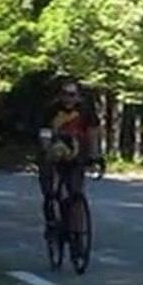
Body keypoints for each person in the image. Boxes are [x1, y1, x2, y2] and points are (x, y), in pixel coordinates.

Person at [37, 80, 102, 236]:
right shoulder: (51, 109)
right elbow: (44, 133)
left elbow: (93, 133)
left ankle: (76, 232)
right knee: (49, 190)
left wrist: (95, 156)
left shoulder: (85, 110)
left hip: (77, 152)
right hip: (53, 151)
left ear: (78, 96)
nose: (68, 98)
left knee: (75, 190)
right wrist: (47, 151)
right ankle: (51, 221)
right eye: (65, 94)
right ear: (60, 96)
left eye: (72, 95)